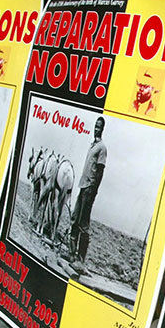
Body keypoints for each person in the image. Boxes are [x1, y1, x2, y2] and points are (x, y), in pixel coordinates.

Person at [68, 116, 107, 273]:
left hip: (89, 189)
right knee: (75, 218)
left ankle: (80, 260)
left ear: (102, 129)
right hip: (83, 187)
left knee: (84, 224)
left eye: (99, 127)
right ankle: (71, 254)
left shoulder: (102, 148)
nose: (96, 129)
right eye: (95, 126)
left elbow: (100, 172)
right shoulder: (93, 145)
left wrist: (93, 192)